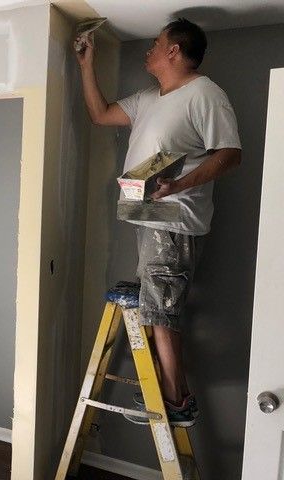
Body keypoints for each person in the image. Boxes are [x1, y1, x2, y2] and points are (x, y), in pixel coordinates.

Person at [76, 18, 242, 426]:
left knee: (161, 311)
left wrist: (179, 185)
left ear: (174, 51)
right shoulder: (149, 98)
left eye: (156, 43)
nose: (148, 49)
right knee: (156, 308)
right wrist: (85, 62)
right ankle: (175, 395)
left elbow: (230, 154)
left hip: (174, 220)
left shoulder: (204, 94)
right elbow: (99, 115)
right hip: (146, 217)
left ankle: (176, 400)